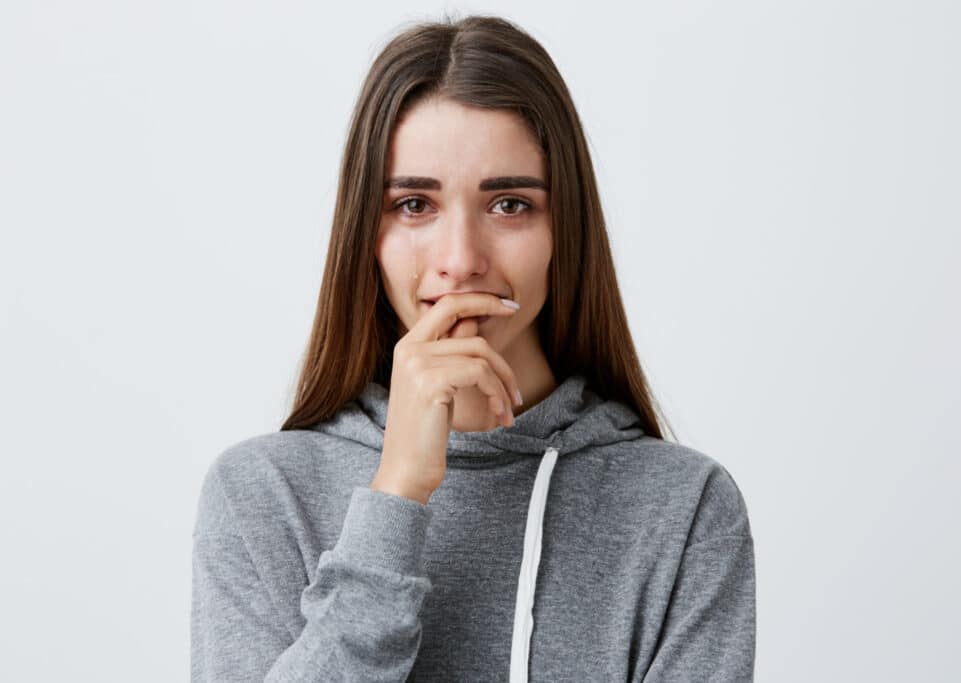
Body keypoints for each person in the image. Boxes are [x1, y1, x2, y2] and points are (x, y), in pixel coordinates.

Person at [190, 13, 756, 682]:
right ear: (364, 234)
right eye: (413, 205)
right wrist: (397, 492)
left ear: (563, 232)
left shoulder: (684, 508)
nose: (460, 260)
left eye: (510, 204)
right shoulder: (261, 494)